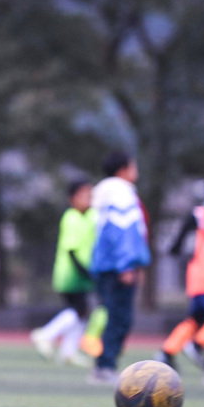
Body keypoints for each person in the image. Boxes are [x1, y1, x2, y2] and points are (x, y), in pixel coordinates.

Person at [87, 151, 151, 385]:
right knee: (119, 318)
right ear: (123, 169)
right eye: (134, 166)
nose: (137, 171)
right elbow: (123, 231)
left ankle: (104, 365)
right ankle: (105, 367)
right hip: (117, 267)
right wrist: (127, 265)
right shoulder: (120, 193)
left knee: (114, 316)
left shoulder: (106, 192)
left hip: (107, 265)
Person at [30, 179, 98, 367]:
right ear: (72, 199)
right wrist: (85, 272)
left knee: (83, 313)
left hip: (85, 274)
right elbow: (71, 250)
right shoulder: (71, 217)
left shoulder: (92, 216)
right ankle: (45, 334)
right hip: (71, 274)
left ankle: (68, 352)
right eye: (83, 195)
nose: (88, 199)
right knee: (77, 310)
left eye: (90, 195)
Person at [155, 204, 204, 371]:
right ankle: (197, 344)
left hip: (201, 276)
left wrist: (176, 247)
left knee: (195, 318)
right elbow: (195, 216)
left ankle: (167, 352)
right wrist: (176, 245)